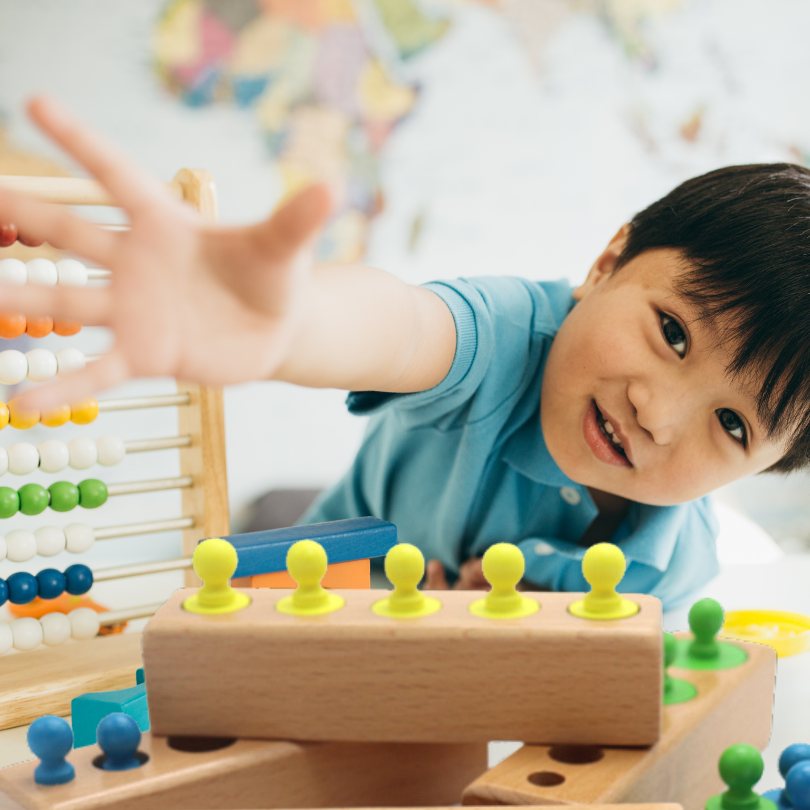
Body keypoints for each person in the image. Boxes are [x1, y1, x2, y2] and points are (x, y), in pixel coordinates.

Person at [0, 98, 808, 607]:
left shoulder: (674, 576)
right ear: (605, 264)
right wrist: (287, 325)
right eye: (672, 331)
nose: (658, 415)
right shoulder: (509, 338)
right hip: (320, 579)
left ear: (760, 471)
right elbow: (402, 328)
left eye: (734, 425)